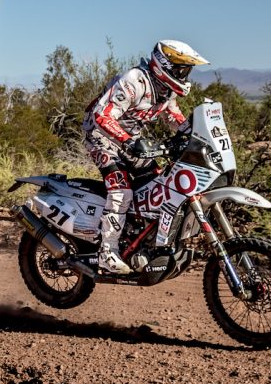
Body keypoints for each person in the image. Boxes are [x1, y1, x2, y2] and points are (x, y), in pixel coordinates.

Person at [81, 40, 209, 274]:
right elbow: (102, 115)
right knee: (121, 190)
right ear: (165, 64)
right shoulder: (135, 81)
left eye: (186, 70)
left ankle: (138, 239)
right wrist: (129, 141)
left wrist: (196, 135)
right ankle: (106, 252)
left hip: (128, 139)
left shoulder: (166, 89)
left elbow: (174, 118)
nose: (184, 75)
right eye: (181, 69)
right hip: (101, 136)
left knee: (157, 184)